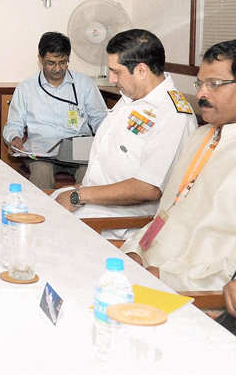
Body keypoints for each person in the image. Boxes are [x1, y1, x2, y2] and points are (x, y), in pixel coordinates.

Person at [55, 29, 197, 239]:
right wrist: (80, 191)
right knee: (36, 206)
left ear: (141, 70)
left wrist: (79, 196)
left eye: (116, 71)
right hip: (95, 200)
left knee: (50, 230)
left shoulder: (172, 115)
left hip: (125, 218)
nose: (112, 79)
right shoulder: (131, 98)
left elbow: (148, 188)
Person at [121, 40, 236, 291]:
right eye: (200, 83)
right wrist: (134, 250)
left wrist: (165, 278)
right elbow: (167, 211)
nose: (202, 94)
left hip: (193, 292)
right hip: (149, 268)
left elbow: (227, 273)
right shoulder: (201, 136)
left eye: (214, 84)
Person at [3, 32, 108, 189]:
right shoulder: (26, 88)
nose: (58, 69)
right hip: (41, 152)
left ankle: (85, 214)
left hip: (78, 149)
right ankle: (42, 213)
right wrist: (14, 139)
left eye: (63, 62)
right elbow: (13, 124)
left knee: (91, 175)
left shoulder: (85, 84)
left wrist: (107, 139)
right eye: (51, 63)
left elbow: (100, 119)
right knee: (42, 172)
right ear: (40, 59)